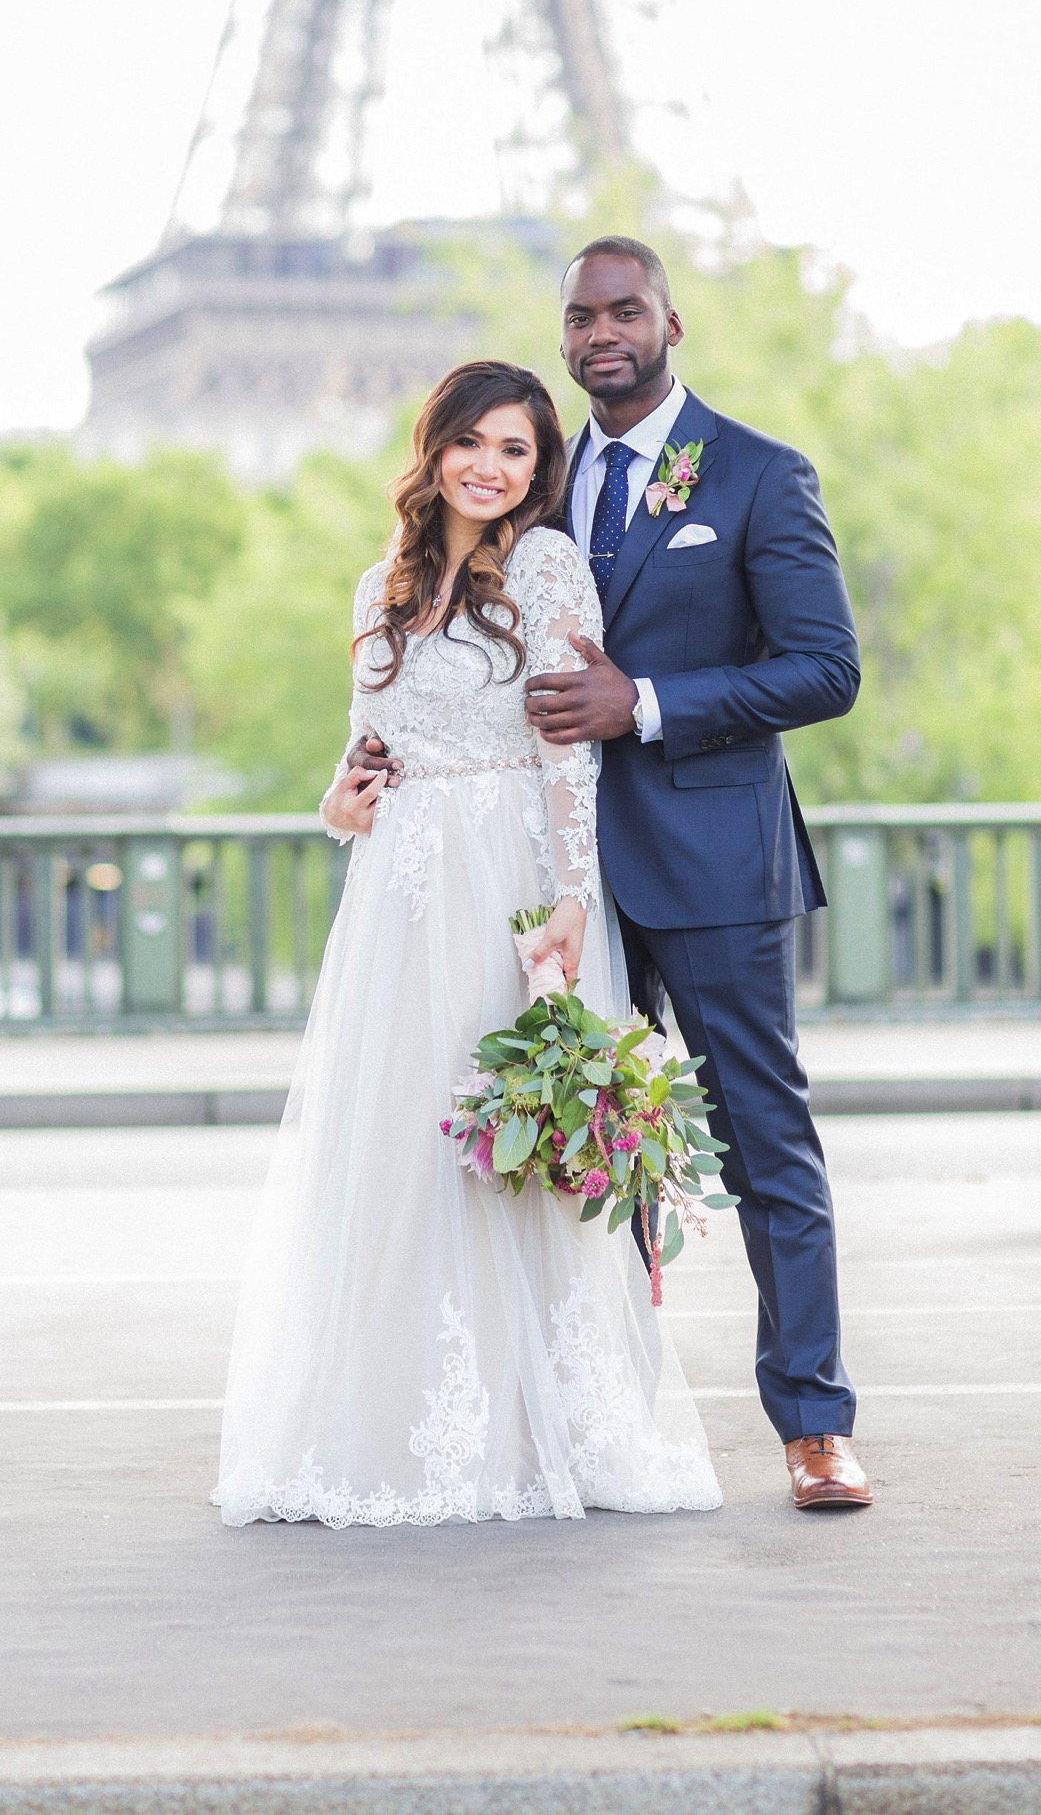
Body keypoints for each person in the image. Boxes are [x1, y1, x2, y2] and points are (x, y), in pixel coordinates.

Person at [356, 239, 871, 1511]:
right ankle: (593, 1419)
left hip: (709, 866)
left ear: (669, 322)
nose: (600, 332)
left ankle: (813, 1426)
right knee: (556, 1155)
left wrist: (640, 701)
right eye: (579, 315)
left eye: (623, 309)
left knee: (762, 1142)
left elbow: (825, 670)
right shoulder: (533, 470)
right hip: (541, 883)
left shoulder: (756, 475)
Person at [213, 358, 721, 1530]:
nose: (491, 469)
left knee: (506, 1148)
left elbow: (567, 749)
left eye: (518, 452)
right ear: (432, 445)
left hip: (507, 879)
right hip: (400, 890)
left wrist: (573, 898)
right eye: (473, 444)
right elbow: (362, 757)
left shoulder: (544, 568)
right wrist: (338, 803)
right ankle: (391, 1419)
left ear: (538, 472)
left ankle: (532, 1421)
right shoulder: (376, 586)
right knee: (398, 1142)